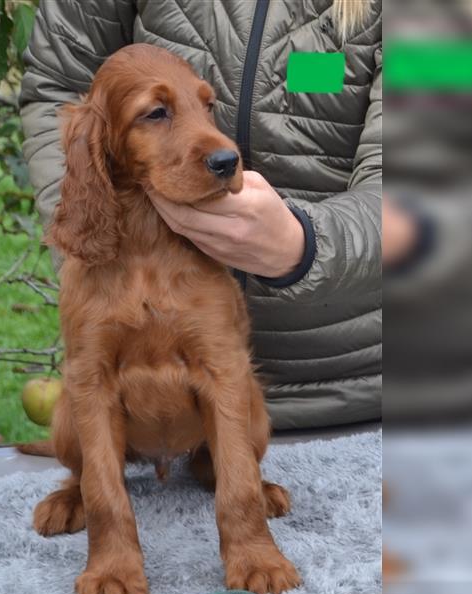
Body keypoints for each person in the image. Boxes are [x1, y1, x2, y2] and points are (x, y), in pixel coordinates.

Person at [20, 0, 383, 430]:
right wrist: (96, 250)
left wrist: (305, 246)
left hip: (357, 397)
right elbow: (60, 87)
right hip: (145, 401)